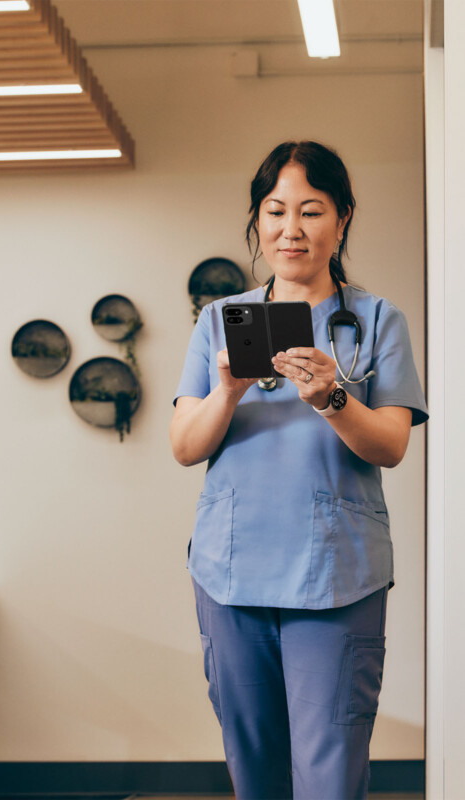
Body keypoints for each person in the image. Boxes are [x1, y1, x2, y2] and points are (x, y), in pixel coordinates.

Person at [169, 141, 428, 800]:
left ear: (341, 219)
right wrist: (226, 389)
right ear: (256, 221)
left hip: (334, 577)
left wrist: (332, 399)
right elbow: (184, 445)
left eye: (310, 211)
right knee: (253, 772)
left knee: (328, 775)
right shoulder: (218, 323)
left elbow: (390, 444)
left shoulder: (374, 322)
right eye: (275, 210)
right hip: (231, 575)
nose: (290, 229)